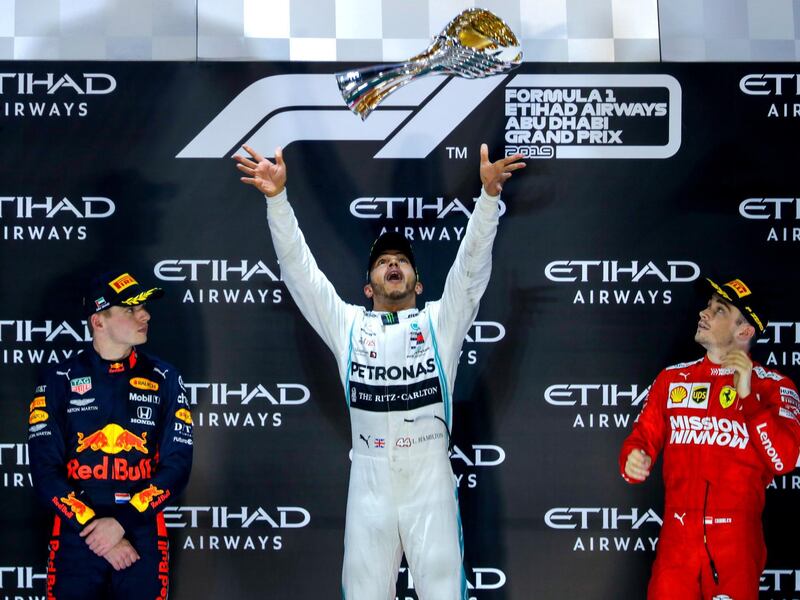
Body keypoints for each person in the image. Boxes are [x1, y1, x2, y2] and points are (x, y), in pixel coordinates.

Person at [235, 143, 524, 599]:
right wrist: (277, 200)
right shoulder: (348, 324)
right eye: (384, 262)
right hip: (369, 479)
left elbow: (470, 271)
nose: (394, 265)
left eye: (402, 261)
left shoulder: (439, 322)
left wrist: (488, 201)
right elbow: (300, 272)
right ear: (368, 287)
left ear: (418, 283)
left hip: (429, 475)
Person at [619, 277, 800, 600]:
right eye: (708, 305)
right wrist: (634, 457)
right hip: (677, 541)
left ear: (744, 331)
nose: (704, 312)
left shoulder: (774, 386)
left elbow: (784, 460)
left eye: (719, 310)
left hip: (736, 543)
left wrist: (747, 397)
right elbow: (642, 438)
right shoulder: (672, 380)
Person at [28, 271, 193, 600]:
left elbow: (177, 466)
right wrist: (98, 531)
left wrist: (121, 523)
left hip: (141, 533)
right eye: (131, 309)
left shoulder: (165, 378)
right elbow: (45, 471)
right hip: (77, 535)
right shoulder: (58, 380)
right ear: (98, 322)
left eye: (143, 307)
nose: (145, 314)